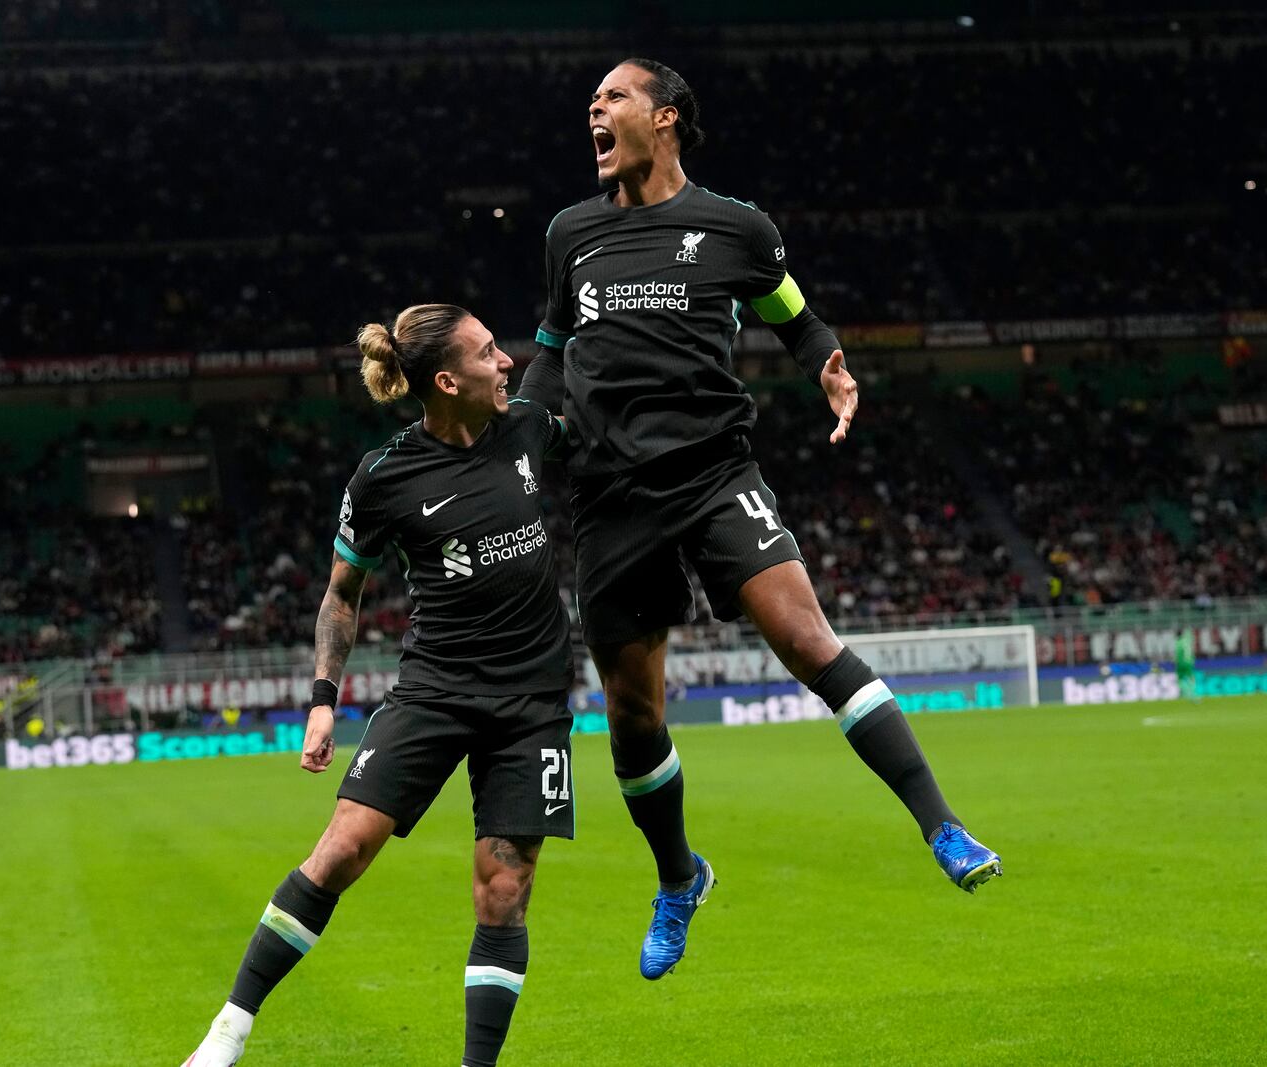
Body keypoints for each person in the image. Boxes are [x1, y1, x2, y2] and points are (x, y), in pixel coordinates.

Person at [517, 57, 1002, 981]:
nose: (595, 107)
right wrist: (524, 437)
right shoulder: (569, 233)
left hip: (712, 473)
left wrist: (828, 359)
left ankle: (942, 824)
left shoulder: (737, 229)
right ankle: (678, 876)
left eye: (612, 96)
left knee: (810, 640)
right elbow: (548, 351)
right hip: (611, 495)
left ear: (664, 119)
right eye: (593, 101)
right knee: (631, 711)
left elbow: (795, 315)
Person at [184, 305, 575, 1067]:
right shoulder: (386, 476)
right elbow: (341, 592)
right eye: (490, 353)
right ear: (446, 379)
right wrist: (323, 701)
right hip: (435, 690)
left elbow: (598, 410)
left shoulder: (529, 429)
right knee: (339, 852)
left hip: (530, 706)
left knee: (504, 890)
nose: (507, 364)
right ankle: (226, 1033)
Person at [1175, 628, 1198, 700]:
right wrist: (1192, 660)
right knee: (1191, 677)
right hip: (1189, 662)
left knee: (1180, 678)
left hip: (1181, 663)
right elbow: (1191, 652)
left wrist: (1176, 661)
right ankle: (1193, 693)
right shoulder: (1187, 641)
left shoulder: (1178, 642)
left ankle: (1184, 693)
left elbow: (1178, 654)